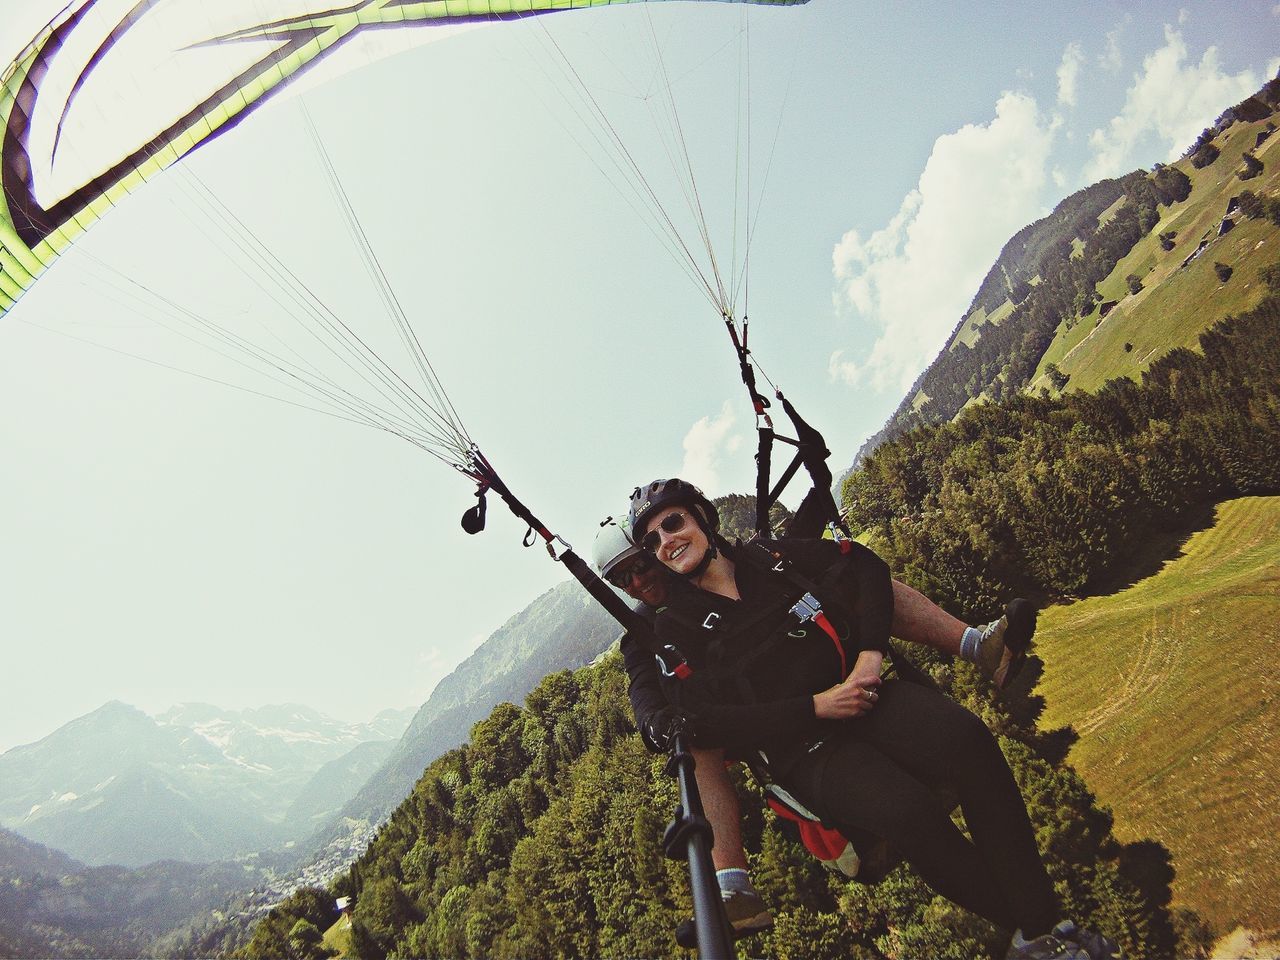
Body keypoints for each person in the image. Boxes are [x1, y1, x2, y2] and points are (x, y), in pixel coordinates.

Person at [626, 478, 1122, 960]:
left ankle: (1042, 929)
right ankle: (1037, 932)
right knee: (906, 811)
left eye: (674, 523)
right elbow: (704, 720)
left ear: (703, 520)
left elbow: (865, 565)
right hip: (806, 748)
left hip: (865, 695)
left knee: (970, 741)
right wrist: (816, 707)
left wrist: (869, 655)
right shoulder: (676, 628)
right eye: (654, 541)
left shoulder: (771, 559)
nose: (667, 541)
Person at [591, 512, 1037, 942]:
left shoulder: (743, 565)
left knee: (839, 587)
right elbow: (646, 695)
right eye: (622, 578)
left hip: (837, 688)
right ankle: (732, 880)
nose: (637, 581)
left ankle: (977, 645)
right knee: (690, 730)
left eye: (640, 566)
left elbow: (849, 564)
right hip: (778, 734)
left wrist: (866, 651)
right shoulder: (650, 634)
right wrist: (656, 720)